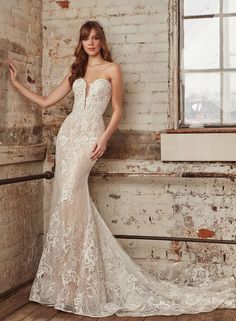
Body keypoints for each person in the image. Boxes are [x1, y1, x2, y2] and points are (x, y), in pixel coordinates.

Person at [6, 20, 235, 318]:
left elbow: (118, 110)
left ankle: (84, 280)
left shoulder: (112, 70)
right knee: (66, 204)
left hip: (91, 137)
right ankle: (68, 283)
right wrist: (15, 84)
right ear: (81, 42)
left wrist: (104, 137)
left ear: (102, 41)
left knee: (71, 196)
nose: (91, 43)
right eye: (86, 38)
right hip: (68, 136)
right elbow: (48, 101)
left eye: (95, 38)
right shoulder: (76, 71)